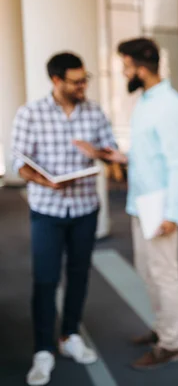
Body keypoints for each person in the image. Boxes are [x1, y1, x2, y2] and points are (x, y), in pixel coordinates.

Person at [11, 52, 119, 386]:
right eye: (76, 81)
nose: (83, 85)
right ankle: (43, 348)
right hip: (47, 209)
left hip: (86, 208)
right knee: (45, 279)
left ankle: (69, 334)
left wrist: (97, 152)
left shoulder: (94, 111)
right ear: (57, 81)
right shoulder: (30, 113)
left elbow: (112, 150)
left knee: (79, 274)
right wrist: (48, 181)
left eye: (85, 79)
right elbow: (18, 161)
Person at [116, 37, 178, 369]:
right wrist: (118, 157)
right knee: (148, 272)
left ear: (141, 68)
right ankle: (162, 330)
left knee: (164, 275)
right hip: (140, 203)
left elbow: (177, 163)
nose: (124, 72)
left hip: (160, 206)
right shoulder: (146, 100)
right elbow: (150, 155)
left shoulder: (170, 105)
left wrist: (172, 213)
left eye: (126, 66)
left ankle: (171, 343)